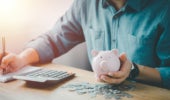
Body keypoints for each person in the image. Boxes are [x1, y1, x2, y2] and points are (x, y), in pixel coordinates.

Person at [0, 0, 170, 89]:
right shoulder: (85, 3)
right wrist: (21, 59)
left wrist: (134, 70)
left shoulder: (164, 8)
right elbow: (54, 38)